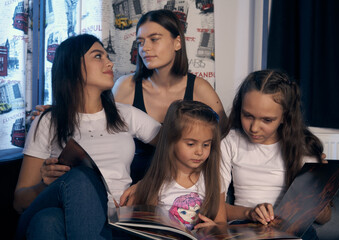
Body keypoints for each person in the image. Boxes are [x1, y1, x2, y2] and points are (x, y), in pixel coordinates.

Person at [31, 9, 226, 186]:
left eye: (154, 39)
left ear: (177, 42)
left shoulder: (199, 88)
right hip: (133, 182)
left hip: (178, 180)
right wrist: (61, 109)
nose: (145, 48)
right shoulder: (126, 86)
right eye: (140, 42)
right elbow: (94, 114)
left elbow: (222, 139)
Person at [13, 34, 161, 239]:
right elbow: (20, 201)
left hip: (113, 218)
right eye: (98, 56)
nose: (109, 62)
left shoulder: (126, 114)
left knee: (47, 221)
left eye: (107, 56)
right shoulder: (48, 120)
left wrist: (146, 184)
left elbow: (178, 146)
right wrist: (44, 184)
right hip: (64, 203)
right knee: (80, 177)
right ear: (72, 66)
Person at [220, 70, 331, 239]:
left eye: (267, 120)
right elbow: (218, 209)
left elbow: (324, 218)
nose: (254, 128)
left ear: (285, 117)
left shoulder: (302, 148)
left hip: (291, 229)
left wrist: (318, 186)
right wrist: (250, 213)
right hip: (245, 227)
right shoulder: (230, 142)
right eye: (248, 115)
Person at [131, 100, 227, 230]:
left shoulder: (214, 180)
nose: (199, 152)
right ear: (172, 141)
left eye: (206, 144)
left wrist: (214, 228)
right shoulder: (157, 182)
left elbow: (221, 223)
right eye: (191, 144)